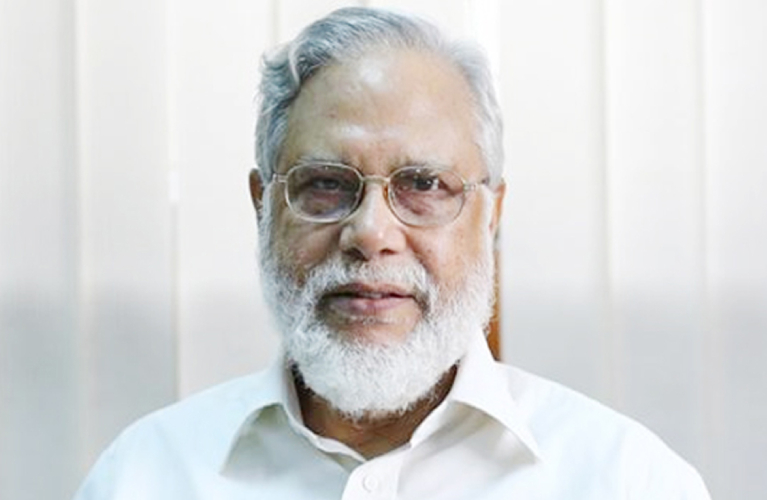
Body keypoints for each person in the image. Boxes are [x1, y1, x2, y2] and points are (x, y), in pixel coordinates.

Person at [74, 7, 712, 499]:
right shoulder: (144, 476)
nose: (371, 233)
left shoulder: (626, 480)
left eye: (424, 184)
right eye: (326, 184)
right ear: (262, 206)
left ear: (491, 214)